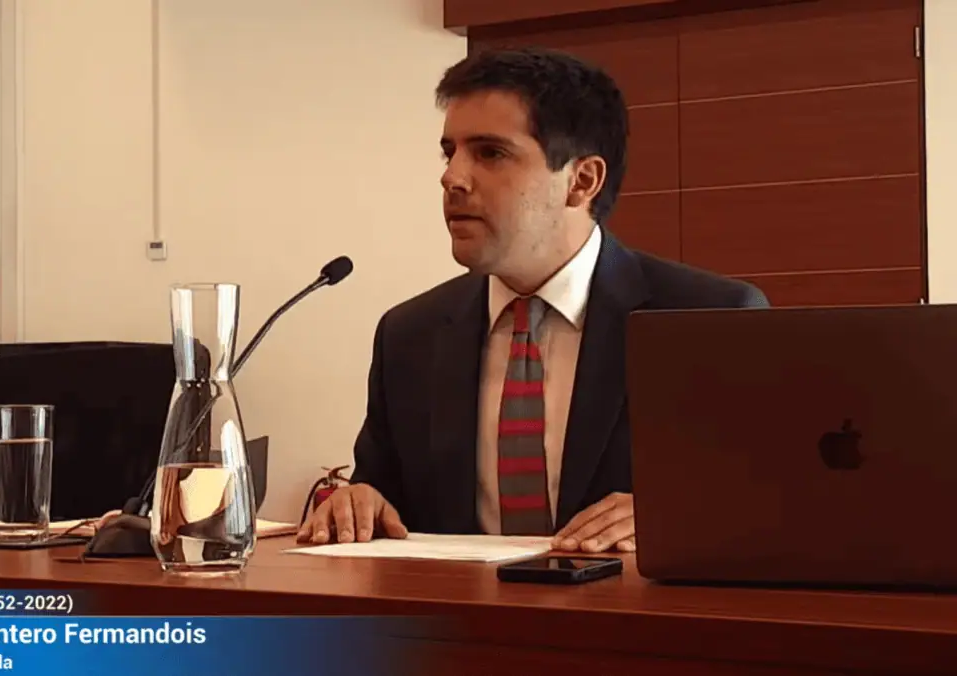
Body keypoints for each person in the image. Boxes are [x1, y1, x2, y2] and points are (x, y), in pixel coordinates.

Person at [298, 48, 769, 553]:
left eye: (490, 153)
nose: (452, 177)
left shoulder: (711, 320)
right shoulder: (410, 334)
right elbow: (386, 501)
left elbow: (775, 504)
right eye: (449, 152)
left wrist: (679, 516)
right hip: (453, 607)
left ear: (581, 182)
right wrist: (360, 503)